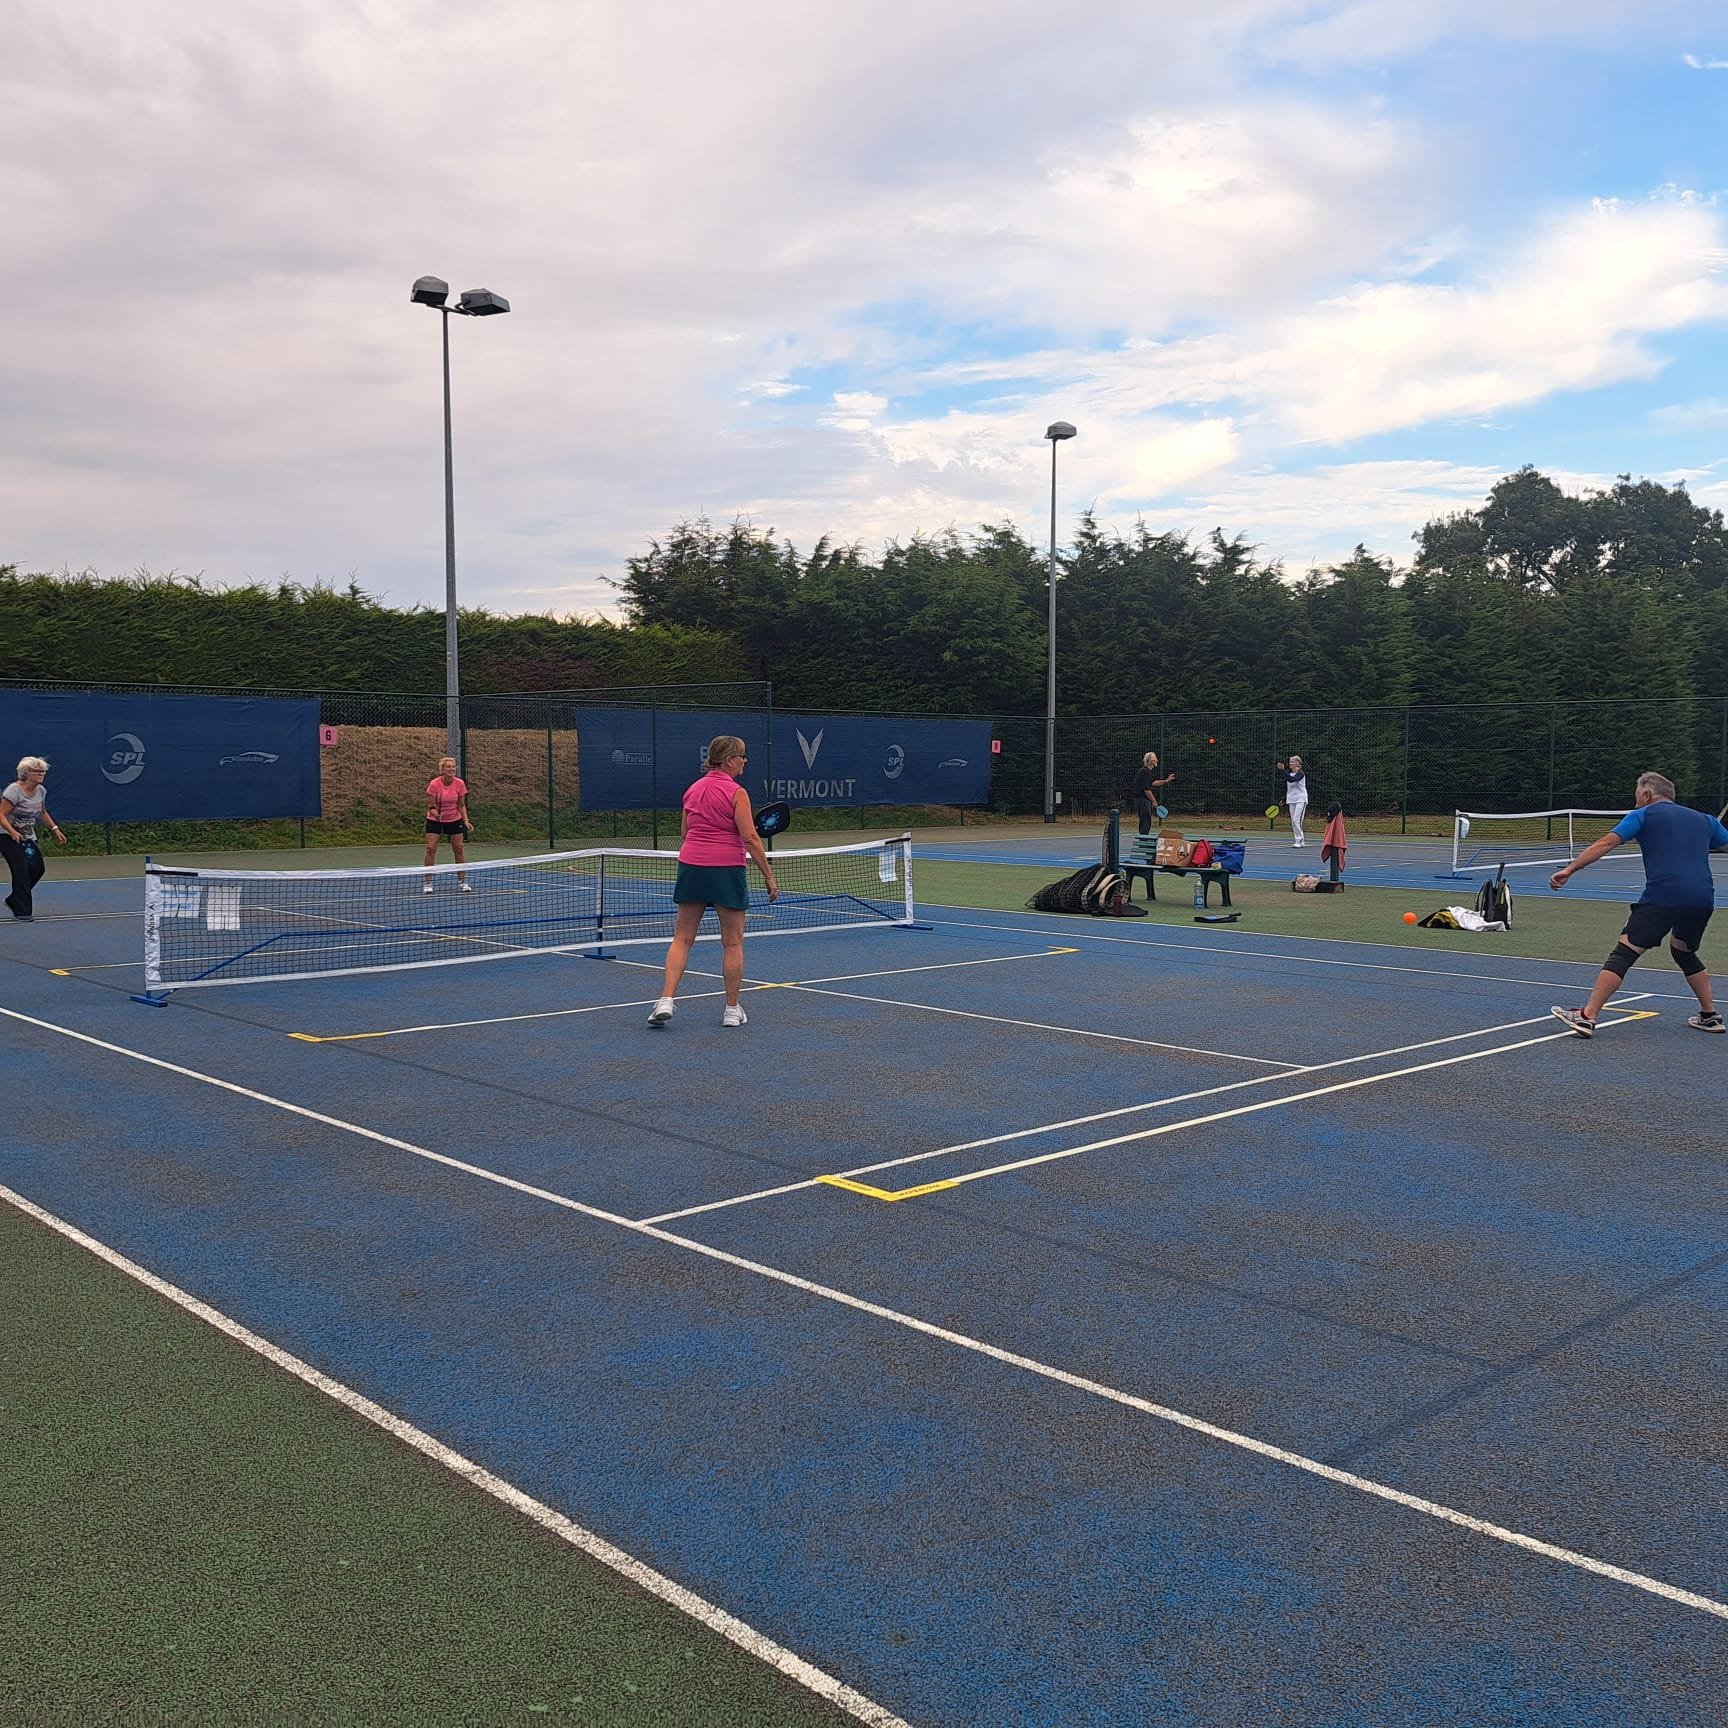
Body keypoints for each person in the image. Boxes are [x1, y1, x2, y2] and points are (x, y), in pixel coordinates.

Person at [1549, 770, 1728, 1037]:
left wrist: (1569, 869)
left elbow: (1606, 843)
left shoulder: (1643, 815)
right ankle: (1710, 1015)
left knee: (1625, 952)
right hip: (1702, 899)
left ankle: (1587, 1017)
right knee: (1684, 952)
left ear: (1646, 794)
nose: (1635, 802)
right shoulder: (1705, 820)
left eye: (1637, 797)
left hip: (1664, 896)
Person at [648, 735, 778, 1029]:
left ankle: (665, 1000)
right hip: (725, 869)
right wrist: (768, 875)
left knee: (682, 938)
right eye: (742, 756)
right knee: (732, 942)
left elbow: (686, 831)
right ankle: (732, 1010)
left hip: (691, 865)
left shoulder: (692, 789)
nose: (745, 761)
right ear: (729, 760)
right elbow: (750, 838)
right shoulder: (737, 793)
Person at [2, 757, 66, 923]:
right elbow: (1, 814)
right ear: (26, 773)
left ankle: (15, 899)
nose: (41, 774)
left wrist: (55, 829)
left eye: (43, 771)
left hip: (27, 836)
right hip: (6, 835)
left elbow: (42, 812)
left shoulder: (41, 791)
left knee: (37, 868)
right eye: (37, 771)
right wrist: (12, 832)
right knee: (21, 870)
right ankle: (23, 911)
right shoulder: (14, 791)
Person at [423, 756, 473, 892]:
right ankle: (428, 883)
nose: (452, 769)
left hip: (454, 819)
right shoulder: (434, 784)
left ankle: (463, 882)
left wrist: (466, 820)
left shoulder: (460, 784)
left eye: (453, 766)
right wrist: (436, 814)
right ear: (442, 769)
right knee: (430, 848)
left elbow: (461, 805)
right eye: (448, 767)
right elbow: (431, 806)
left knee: (459, 848)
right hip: (435, 820)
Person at [1130, 752, 1176, 837]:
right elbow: (1147, 789)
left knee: (1145, 820)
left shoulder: (1146, 771)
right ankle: (1143, 841)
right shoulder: (1144, 771)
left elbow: (1153, 783)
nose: (1156, 759)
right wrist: (1154, 801)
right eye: (1154, 758)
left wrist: (1166, 781)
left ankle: (1143, 839)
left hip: (1142, 800)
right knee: (1145, 821)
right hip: (1142, 800)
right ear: (1149, 760)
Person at [1275, 755, 1310, 847]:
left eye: (1292, 762)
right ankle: (1300, 840)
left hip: (1301, 799)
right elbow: (1289, 788)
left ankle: (1298, 840)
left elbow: (1292, 780)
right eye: (1290, 762)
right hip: (1291, 800)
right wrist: (1284, 798)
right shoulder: (1290, 774)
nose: (1290, 763)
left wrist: (1283, 770)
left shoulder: (1301, 773)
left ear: (1297, 763)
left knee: (1296, 820)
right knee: (1294, 821)